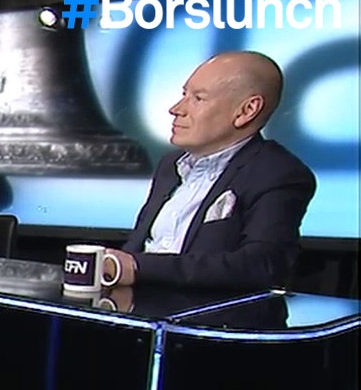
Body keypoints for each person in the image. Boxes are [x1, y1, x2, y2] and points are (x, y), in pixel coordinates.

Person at [106, 51, 315, 290]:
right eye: (184, 95)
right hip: (136, 306)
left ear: (246, 111)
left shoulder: (277, 173)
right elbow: (137, 248)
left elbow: (262, 266)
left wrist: (138, 267)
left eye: (198, 98)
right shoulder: (170, 166)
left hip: (205, 311)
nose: (176, 109)